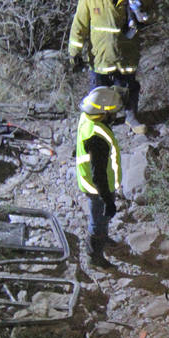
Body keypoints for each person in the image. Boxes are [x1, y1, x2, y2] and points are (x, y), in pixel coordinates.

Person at [68, 0, 154, 135]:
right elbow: (79, 26)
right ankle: (100, 124)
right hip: (101, 55)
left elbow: (151, 14)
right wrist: (74, 53)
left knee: (128, 87)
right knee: (99, 93)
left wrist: (142, 15)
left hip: (126, 53)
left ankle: (131, 118)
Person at [76, 86, 123, 269]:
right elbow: (99, 175)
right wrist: (108, 200)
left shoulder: (86, 118)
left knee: (101, 219)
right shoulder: (98, 138)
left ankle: (103, 238)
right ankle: (94, 257)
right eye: (113, 113)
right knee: (98, 222)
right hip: (98, 188)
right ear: (104, 113)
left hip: (91, 181)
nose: (115, 115)